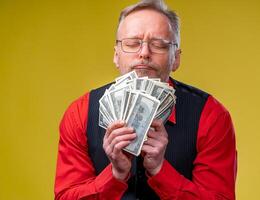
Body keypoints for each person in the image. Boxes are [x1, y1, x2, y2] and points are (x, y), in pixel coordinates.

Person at [54, 0, 237, 199]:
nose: (144, 53)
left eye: (158, 45)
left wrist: (160, 170)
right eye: (132, 44)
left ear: (175, 58)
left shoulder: (211, 116)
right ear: (116, 55)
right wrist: (115, 175)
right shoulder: (80, 113)